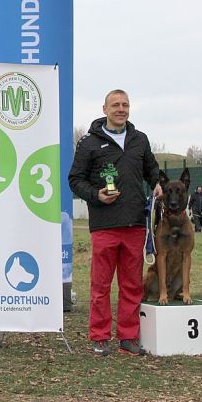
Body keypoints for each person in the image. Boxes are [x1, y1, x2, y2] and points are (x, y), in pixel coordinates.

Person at [68, 89, 162, 357]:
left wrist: (157, 184)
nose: (121, 109)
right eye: (115, 105)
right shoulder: (89, 143)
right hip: (104, 225)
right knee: (101, 285)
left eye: (125, 105)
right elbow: (75, 179)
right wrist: (96, 195)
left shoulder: (139, 140)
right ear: (105, 109)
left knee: (132, 284)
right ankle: (99, 337)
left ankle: (128, 337)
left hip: (134, 224)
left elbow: (152, 170)